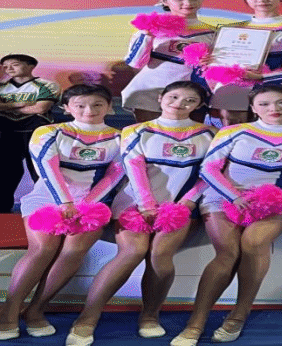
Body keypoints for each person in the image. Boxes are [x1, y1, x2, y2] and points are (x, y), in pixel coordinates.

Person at [65, 82, 217, 345]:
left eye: (189, 100)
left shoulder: (209, 133)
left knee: (160, 255)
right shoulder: (136, 130)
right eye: (173, 97)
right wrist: (146, 204)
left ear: (199, 105)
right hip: (134, 203)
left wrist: (189, 201)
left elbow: (211, 171)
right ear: (160, 97)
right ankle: (87, 318)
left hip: (179, 207)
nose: (179, 104)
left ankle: (150, 315)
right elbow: (133, 167)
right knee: (132, 252)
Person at [171, 85, 282, 346]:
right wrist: (234, 197)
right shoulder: (234, 131)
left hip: (277, 201)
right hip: (223, 197)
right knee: (227, 253)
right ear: (253, 108)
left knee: (253, 243)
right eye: (264, 104)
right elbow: (209, 170)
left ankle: (239, 314)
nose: (274, 109)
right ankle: (196, 322)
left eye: (281, 102)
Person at [0, 85, 124, 341]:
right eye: (80, 105)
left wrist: (85, 205)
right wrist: (65, 202)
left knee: (73, 251)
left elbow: (114, 175)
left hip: (92, 204)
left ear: (110, 107)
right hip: (47, 199)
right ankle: (9, 312)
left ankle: (36, 309)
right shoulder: (48, 132)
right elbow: (47, 169)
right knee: (42, 248)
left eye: (97, 104)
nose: (89, 110)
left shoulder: (121, 138)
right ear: (66, 108)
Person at [209, 0, 282, 125]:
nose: (261, 0)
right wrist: (209, 61)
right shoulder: (233, 29)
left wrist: (262, 76)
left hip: (273, 87)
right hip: (232, 87)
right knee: (232, 128)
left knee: (273, 129)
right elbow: (219, 60)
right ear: (246, 0)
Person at [122, 0, 216, 123]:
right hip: (151, 90)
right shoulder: (151, 28)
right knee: (150, 132)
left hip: (193, 91)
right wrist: (147, 35)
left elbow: (221, 66)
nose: (187, 3)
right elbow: (135, 62)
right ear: (164, 1)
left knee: (190, 133)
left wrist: (210, 61)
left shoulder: (214, 33)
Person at [0, 54, 61, 212]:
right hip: (7, 133)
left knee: (40, 171)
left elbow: (41, 108)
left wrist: (6, 106)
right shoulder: (2, 86)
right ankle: (3, 211)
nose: (9, 69)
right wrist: (20, 103)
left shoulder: (47, 85)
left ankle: (46, 209)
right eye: (5, 66)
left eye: (14, 64)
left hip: (37, 133)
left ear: (31, 66)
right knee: (6, 174)